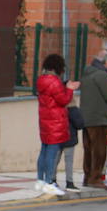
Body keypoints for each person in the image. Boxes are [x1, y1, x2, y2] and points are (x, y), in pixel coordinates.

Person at [35, 54, 79, 196]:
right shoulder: (54, 82)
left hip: (45, 122)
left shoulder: (41, 80)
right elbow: (64, 99)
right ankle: (49, 182)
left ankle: (40, 180)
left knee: (44, 151)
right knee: (52, 154)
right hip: (55, 123)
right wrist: (70, 88)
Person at [78, 49, 107, 190]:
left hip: (86, 117)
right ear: (106, 62)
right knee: (99, 150)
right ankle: (95, 178)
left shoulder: (87, 73)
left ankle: (87, 176)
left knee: (88, 149)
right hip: (99, 117)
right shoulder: (102, 75)